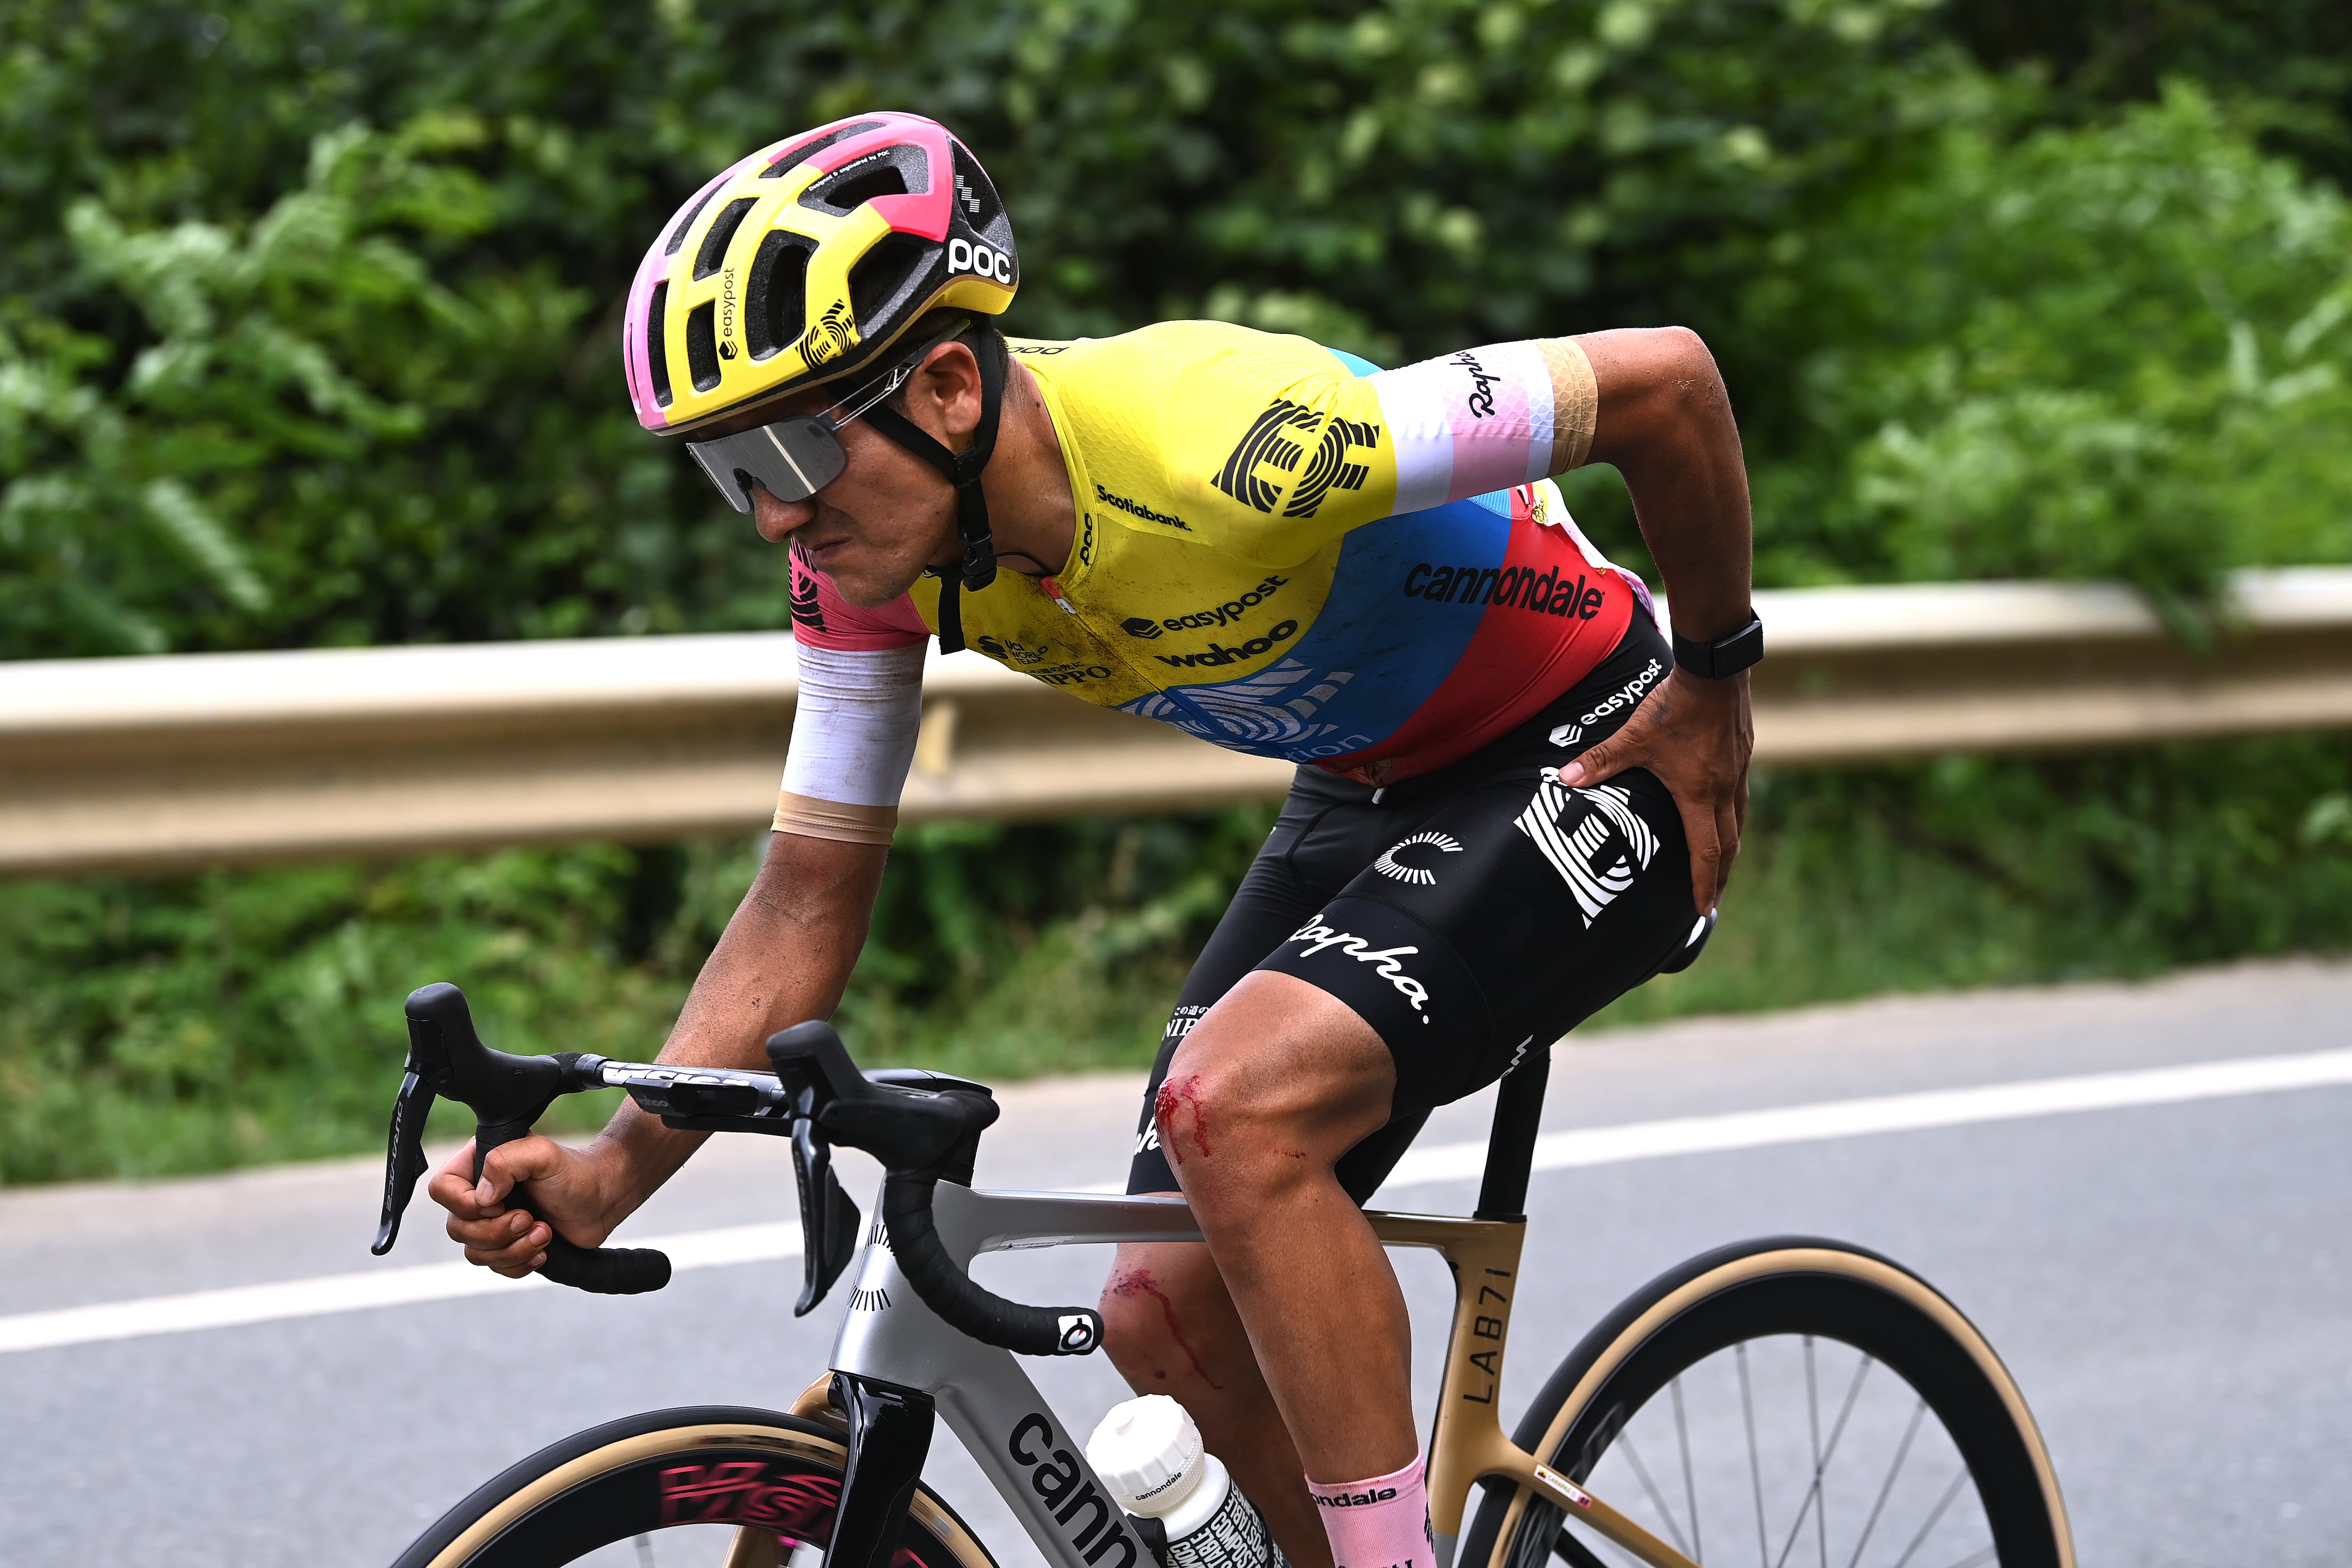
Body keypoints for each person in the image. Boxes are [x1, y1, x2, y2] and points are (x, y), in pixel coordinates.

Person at [429, 112, 1758, 1568]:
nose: (769, 518)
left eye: (790, 450)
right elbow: (806, 894)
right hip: (1366, 779)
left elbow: (1670, 386)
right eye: (726, 471)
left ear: (945, 385)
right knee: (1159, 1315)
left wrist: (1711, 682)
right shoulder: (882, 564)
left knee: (1235, 1112)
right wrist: (614, 1173)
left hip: (1593, 736)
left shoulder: (1237, 446)